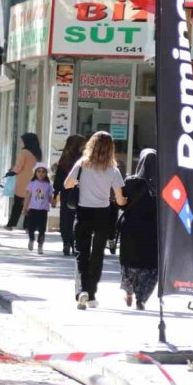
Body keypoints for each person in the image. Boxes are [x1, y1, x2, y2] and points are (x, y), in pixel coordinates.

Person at [64, 131, 127, 310]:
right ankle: (91, 294)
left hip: (83, 212)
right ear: (110, 149)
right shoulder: (113, 170)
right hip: (103, 214)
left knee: (81, 253)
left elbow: (67, 184)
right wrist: (125, 201)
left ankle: (82, 291)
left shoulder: (82, 164)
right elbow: (120, 200)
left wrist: (79, 183)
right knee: (97, 254)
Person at [118, 149, 158, 310]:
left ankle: (128, 291)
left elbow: (121, 204)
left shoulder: (130, 182)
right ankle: (141, 298)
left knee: (129, 262)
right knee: (149, 266)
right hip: (152, 230)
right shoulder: (162, 185)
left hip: (130, 229)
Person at [53, 135, 86, 256]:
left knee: (66, 218)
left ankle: (66, 242)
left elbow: (58, 179)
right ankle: (76, 243)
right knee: (79, 218)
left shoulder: (64, 160)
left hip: (67, 192)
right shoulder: (84, 159)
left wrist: (55, 194)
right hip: (82, 192)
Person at [5, 132, 42, 230]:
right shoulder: (38, 153)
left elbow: (19, 166)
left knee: (17, 204)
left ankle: (11, 224)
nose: (21, 143)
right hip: (34, 181)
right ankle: (28, 226)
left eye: (23, 141)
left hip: (23, 181)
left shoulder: (24, 152)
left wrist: (12, 172)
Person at [22, 163, 55, 255]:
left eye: (43, 172)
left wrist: (52, 202)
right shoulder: (32, 183)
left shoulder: (48, 185)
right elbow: (28, 196)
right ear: (35, 173)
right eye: (39, 171)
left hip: (43, 210)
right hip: (33, 209)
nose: (41, 174)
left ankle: (40, 246)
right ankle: (31, 239)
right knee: (31, 228)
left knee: (42, 230)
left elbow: (49, 197)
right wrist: (25, 208)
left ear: (46, 173)